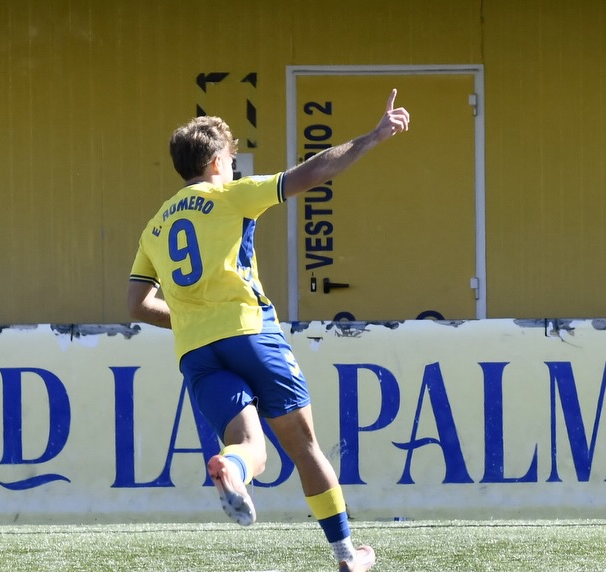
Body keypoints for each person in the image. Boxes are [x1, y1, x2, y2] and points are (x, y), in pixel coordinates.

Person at [127, 89, 410, 572]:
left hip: (195, 351)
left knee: (248, 446)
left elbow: (136, 305)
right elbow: (315, 171)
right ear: (218, 161)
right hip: (251, 334)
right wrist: (373, 136)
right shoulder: (231, 193)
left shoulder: (155, 226)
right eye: (232, 161)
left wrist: (193, 318)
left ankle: (232, 469)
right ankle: (347, 556)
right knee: (304, 448)